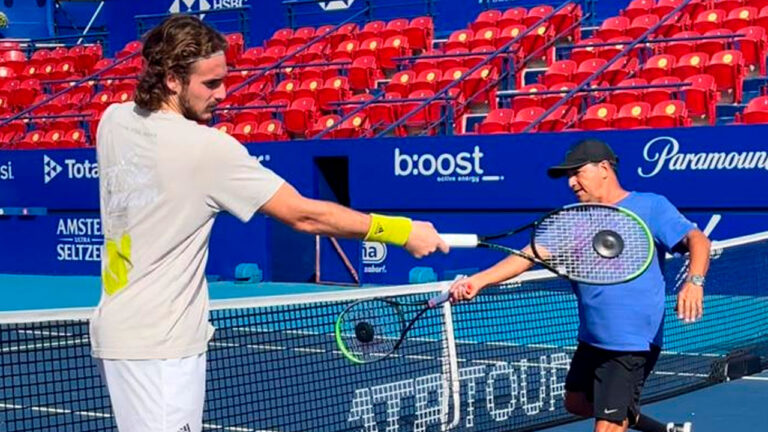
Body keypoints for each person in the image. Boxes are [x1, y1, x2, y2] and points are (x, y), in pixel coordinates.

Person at [90, 15, 448, 432]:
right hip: (160, 346)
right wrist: (403, 231)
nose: (223, 94)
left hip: (115, 333)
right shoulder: (209, 150)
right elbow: (305, 214)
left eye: (223, 80)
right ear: (172, 79)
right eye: (210, 84)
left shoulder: (113, 122)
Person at [450, 139, 711, 432]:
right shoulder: (571, 218)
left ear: (604, 169)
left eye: (578, 173)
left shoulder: (649, 205)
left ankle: (621, 413)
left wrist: (694, 281)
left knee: (608, 424)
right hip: (592, 338)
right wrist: (479, 280)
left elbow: (697, 240)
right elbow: (528, 255)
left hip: (630, 342)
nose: (572, 183)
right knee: (576, 402)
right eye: (568, 177)